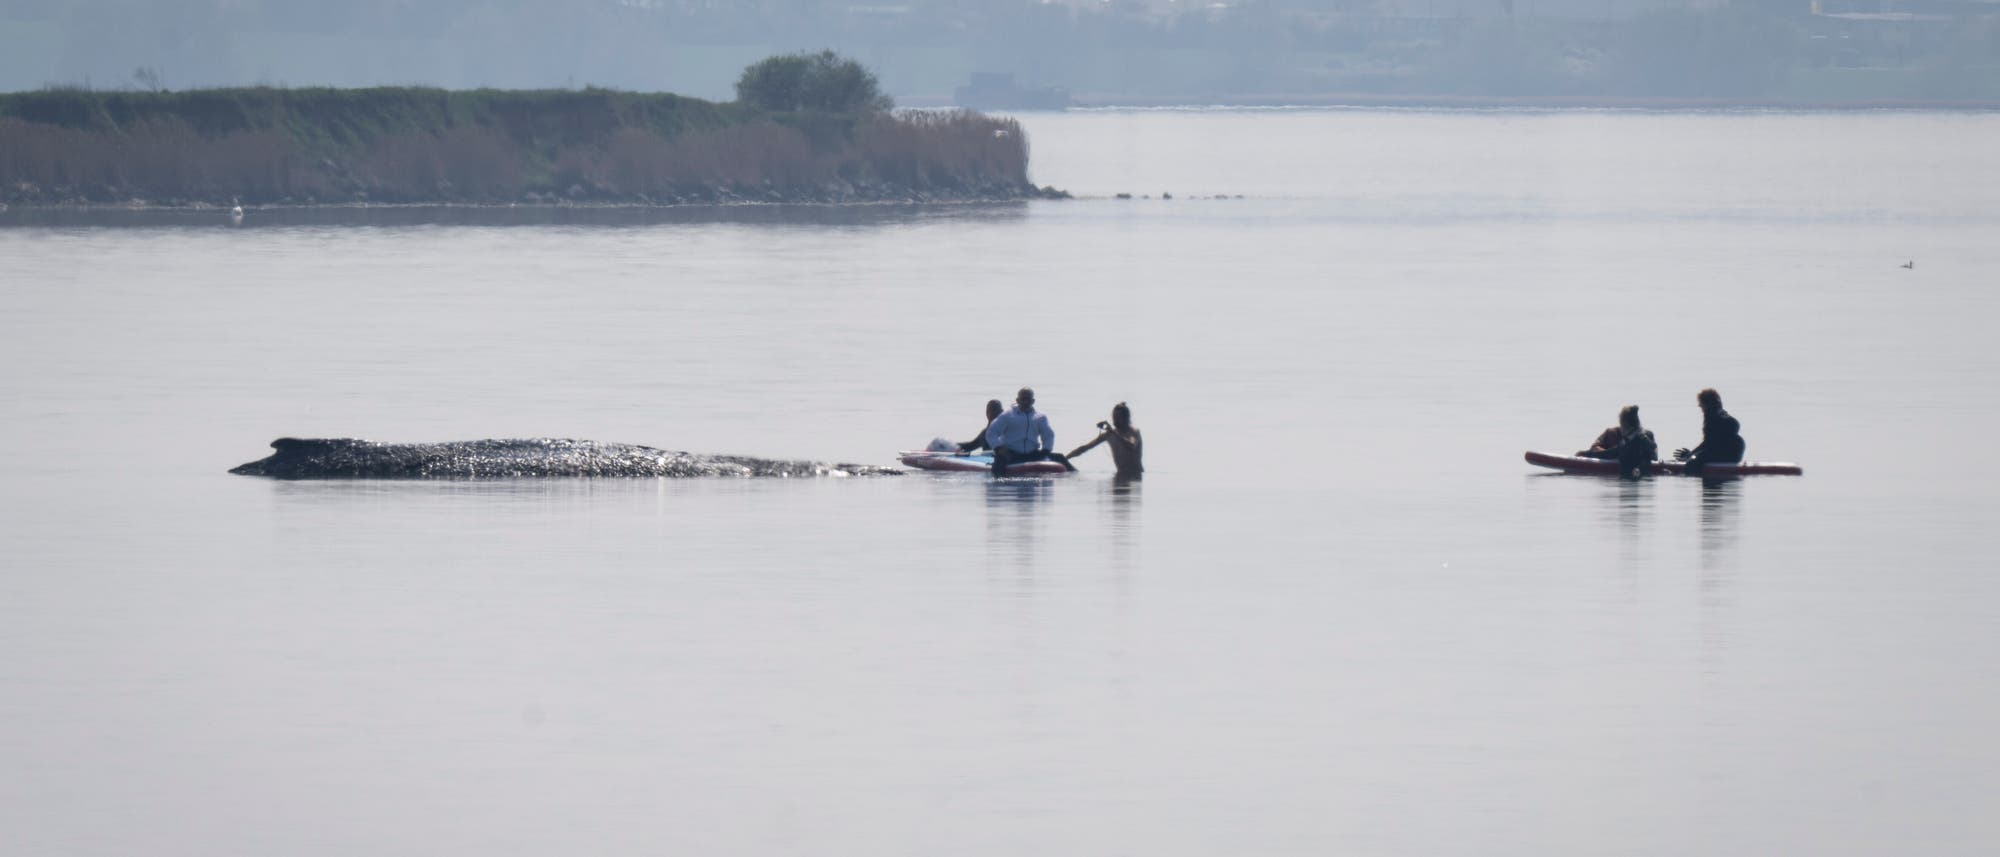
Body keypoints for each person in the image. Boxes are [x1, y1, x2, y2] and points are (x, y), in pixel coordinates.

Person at [984, 387, 1074, 475]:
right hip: (1011, 453)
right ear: (1017, 400)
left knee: (1060, 457)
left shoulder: (1040, 417)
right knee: (1000, 460)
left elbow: (1049, 435)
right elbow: (991, 433)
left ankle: (1076, 479)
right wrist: (999, 448)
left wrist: (1045, 450)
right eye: (1023, 399)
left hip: (1032, 453)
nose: (1025, 402)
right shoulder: (1007, 416)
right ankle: (995, 485)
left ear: (1033, 401)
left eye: (1028, 399)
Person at [1673, 387, 1746, 476]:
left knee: (1694, 462)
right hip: (1735, 454)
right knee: (1699, 456)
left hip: (1726, 453)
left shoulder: (1712, 417)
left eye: (1700, 404)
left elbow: (1708, 443)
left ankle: (1681, 476)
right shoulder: (1721, 413)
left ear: (1706, 404)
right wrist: (1691, 453)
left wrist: (1691, 456)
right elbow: (1709, 442)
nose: (1699, 406)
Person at [1576, 404, 1657, 478]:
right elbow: (1652, 453)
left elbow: (1608, 454)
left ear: (1624, 424)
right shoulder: (1646, 435)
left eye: (1621, 424)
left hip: (1632, 476)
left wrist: (1586, 454)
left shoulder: (1631, 443)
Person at [1067, 401, 1144, 478]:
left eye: (1118, 417)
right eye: (1114, 417)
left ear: (1126, 418)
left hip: (1135, 476)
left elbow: (1131, 445)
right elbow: (1085, 448)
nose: (1115, 420)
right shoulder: (1109, 434)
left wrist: (1113, 432)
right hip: (1120, 475)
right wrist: (1066, 458)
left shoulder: (1134, 432)